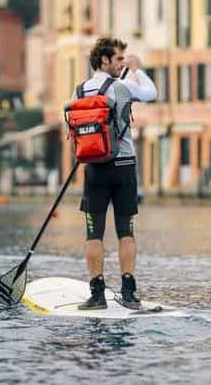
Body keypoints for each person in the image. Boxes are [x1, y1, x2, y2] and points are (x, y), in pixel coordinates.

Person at [75, 37, 157, 310]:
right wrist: (138, 69)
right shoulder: (122, 87)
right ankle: (129, 293)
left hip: (94, 167)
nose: (123, 62)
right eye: (119, 59)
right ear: (104, 60)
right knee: (126, 232)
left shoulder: (79, 91)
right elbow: (151, 93)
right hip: (123, 167)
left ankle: (97, 294)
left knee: (93, 234)